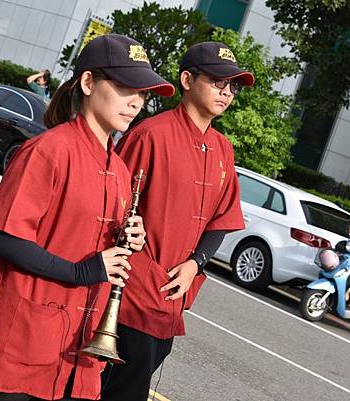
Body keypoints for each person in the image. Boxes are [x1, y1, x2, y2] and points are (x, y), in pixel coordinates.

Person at [0, 34, 174, 401]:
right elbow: (0, 236)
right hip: (16, 348)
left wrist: (130, 238)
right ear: (88, 82)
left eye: (144, 93)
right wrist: (81, 271)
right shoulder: (48, 150)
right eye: (124, 87)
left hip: (76, 354)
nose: (135, 102)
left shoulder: (119, 170)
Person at [101, 42, 253, 401]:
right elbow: (113, 203)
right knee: (120, 385)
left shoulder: (222, 148)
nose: (227, 91)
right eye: (218, 81)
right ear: (187, 79)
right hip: (133, 287)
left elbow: (222, 220)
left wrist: (195, 265)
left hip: (175, 290)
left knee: (141, 370)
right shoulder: (151, 134)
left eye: (234, 86)